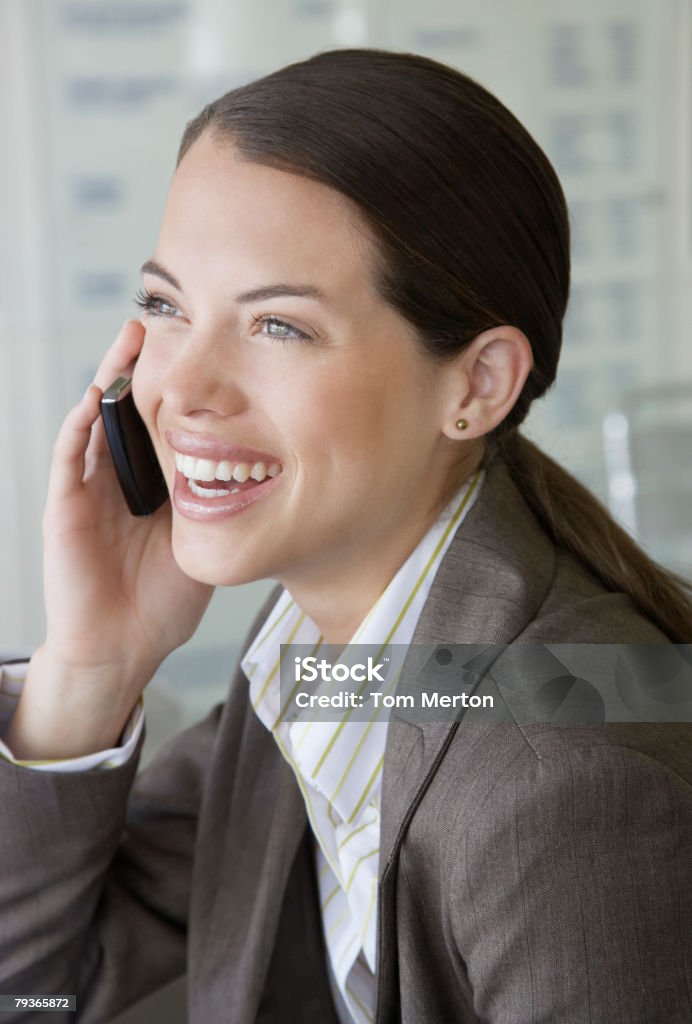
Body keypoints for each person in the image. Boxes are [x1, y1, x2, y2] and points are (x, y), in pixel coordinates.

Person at [1, 47, 691, 1024]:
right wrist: (92, 664)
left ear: (475, 384)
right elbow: (34, 987)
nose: (182, 391)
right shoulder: (318, 659)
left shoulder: (568, 789)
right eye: (164, 306)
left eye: (277, 325)